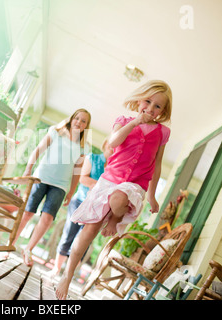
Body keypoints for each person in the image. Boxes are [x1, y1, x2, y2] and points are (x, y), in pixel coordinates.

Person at [55, 80, 173, 299]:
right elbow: (113, 142)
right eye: (147, 101)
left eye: (158, 106)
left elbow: (157, 165)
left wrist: (152, 195)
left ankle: (114, 219)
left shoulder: (162, 133)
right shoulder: (124, 121)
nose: (151, 108)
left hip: (135, 185)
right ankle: (67, 275)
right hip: (109, 180)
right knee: (88, 231)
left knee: (119, 198)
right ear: (139, 101)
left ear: (163, 111)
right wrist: (136, 122)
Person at [13, 109, 92, 266]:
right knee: (28, 212)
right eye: (77, 118)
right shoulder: (56, 132)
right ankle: (11, 241)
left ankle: (28, 250)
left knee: (47, 218)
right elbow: (38, 150)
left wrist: (71, 191)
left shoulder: (84, 147)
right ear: (71, 119)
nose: (79, 122)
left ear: (86, 126)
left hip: (60, 186)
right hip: (40, 178)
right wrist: (28, 169)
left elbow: (77, 171)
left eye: (83, 121)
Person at [49, 139, 113, 278]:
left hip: (97, 209)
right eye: (111, 143)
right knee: (68, 235)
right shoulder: (92, 158)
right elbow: (83, 178)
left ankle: (68, 273)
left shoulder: (114, 168)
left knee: (83, 241)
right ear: (105, 144)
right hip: (79, 202)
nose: (113, 147)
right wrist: (102, 186)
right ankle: (56, 269)